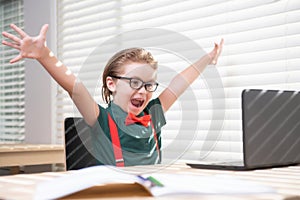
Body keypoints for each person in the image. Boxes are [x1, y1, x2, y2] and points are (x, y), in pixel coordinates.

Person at [2, 24, 223, 166]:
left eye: (149, 85)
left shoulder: (154, 114)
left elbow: (179, 83)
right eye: (135, 82)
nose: (142, 91)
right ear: (112, 83)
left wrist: (207, 59)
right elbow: (75, 87)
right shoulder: (100, 119)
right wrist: (45, 55)